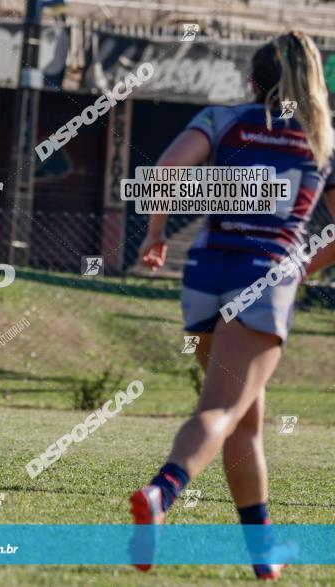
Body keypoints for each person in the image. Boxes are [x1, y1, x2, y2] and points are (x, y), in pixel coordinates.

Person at [131, 31, 335, 580]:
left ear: (252, 80)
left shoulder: (222, 119)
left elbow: (168, 171)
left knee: (244, 421)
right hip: (264, 276)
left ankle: (263, 553)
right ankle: (161, 493)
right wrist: (302, 270)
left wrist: (155, 235)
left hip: (204, 271)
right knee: (220, 412)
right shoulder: (322, 137)